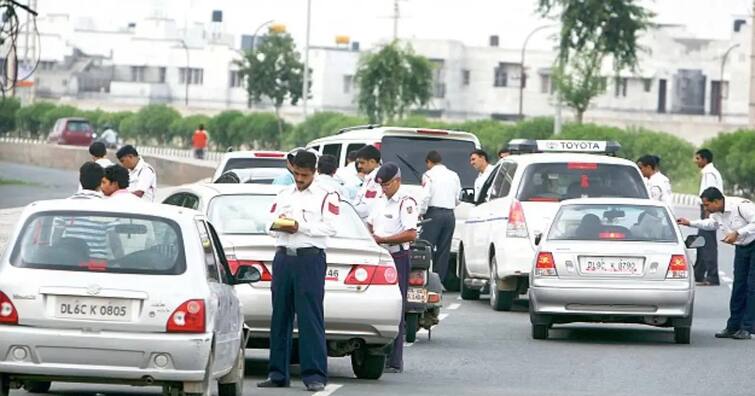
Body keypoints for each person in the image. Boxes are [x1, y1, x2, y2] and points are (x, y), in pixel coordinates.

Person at [257, 150, 338, 392]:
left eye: (304, 175)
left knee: (309, 318)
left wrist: (299, 227)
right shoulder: (284, 194)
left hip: (309, 259)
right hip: (283, 258)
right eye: (296, 174)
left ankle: (314, 374)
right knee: (279, 317)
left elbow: (330, 227)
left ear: (314, 172)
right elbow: (267, 222)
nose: (299, 179)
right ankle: (277, 373)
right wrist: (278, 225)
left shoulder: (326, 196)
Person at [678, 187, 755, 340]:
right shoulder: (717, 213)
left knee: (752, 286)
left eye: (707, 205)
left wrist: (738, 233)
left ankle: (748, 327)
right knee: (739, 285)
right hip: (742, 246)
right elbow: (711, 224)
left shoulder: (740, 206)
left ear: (718, 201)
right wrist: (690, 223)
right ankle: (733, 326)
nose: (706, 208)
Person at [367, 162, 418, 373]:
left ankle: (395, 360)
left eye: (387, 185)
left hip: (397, 255)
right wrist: (371, 235)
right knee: (376, 305)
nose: (383, 189)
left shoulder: (406, 202)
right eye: (381, 185)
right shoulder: (380, 201)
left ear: (397, 181)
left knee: (396, 306)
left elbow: (411, 233)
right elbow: (370, 223)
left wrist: (385, 239)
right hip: (379, 255)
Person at [420, 150, 461, 285]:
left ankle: (425, 278)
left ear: (429, 162)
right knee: (444, 249)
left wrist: (421, 212)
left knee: (426, 247)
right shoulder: (453, 175)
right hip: (449, 214)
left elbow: (426, 196)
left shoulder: (428, 175)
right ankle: (438, 281)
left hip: (433, 214)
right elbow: (457, 198)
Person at [694, 148, 724, 286]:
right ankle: (698, 274)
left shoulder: (709, 173)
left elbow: (710, 194)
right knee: (701, 241)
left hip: (709, 208)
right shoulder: (709, 172)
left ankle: (712, 276)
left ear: (705, 160)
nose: (696, 161)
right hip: (708, 207)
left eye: (698, 158)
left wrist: (708, 211)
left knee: (707, 243)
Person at [353, 145, 383, 221]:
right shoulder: (369, 178)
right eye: (359, 163)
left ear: (372, 162)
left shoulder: (377, 180)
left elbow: (368, 208)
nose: (359, 166)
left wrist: (349, 211)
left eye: (362, 163)